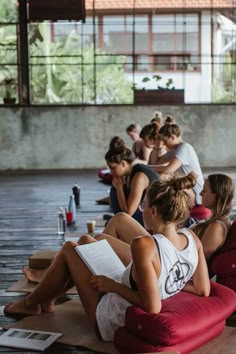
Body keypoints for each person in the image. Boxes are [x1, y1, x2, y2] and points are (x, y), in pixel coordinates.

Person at [5, 173, 210, 343]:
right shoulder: (192, 238)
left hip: (113, 317)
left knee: (70, 249)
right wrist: (168, 282)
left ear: (154, 211)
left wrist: (112, 286)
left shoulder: (145, 245)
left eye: (143, 206)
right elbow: (203, 289)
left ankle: (32, 303)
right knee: (86, 241)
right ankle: (46, 299)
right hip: (134, 284)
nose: (142, 210)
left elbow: (152, 307)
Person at [106, 136, 158, 225]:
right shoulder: (128, 174)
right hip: (145, 213)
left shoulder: (139, 176)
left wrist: (119, 189)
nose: (111, 172)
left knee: (116, 189)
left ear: (123, 163)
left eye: (113, 168)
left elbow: (128, 213)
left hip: (156, 219)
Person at [151, 123, 204, 207]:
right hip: (185, 190)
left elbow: (168, 169)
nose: (164, 144)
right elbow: (155, 163)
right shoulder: (175, 149)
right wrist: (157, 145)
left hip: (196, 195)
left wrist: (145, 167)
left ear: (173, 137)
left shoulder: (184, 147)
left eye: (164, 141)